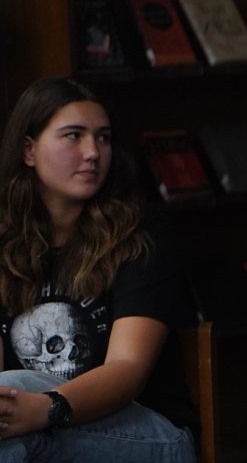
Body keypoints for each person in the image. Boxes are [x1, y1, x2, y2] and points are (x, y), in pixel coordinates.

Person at [0, 77, 197, 461]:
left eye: (103, 138)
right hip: (32, 430)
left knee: (13, 395)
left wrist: (47, 408)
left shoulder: (140, 236)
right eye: (74, 136)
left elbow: (128, 368)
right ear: (28, 150)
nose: (93, 152)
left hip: (150, 435)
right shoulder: (5, 245)